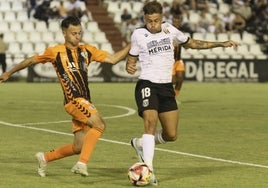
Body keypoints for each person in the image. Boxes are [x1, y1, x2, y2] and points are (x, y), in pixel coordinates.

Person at [0, 16, 130, 177]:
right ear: (64, 33)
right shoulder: (55, 52)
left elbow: (113, 59)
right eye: (74, 33)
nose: (77, 36)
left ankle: (45, 157)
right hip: (73, 100)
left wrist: (132, 44)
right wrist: (8, 73)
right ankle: (82, 164)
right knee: (100, 125)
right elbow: (30, 61)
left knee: (78, 147)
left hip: (85, 100)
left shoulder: (87, 50)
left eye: (80, 32)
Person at [125, 1, 239, 185]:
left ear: (162, 18)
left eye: (155, 20)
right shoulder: (138, 34)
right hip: (147, 83)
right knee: (151, 122)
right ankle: (149, 169)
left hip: (166, 87)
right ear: (144, 19)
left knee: (171, 135)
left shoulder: (170, 30)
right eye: (149, 21)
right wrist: (129, 64)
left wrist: (220, 43)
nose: (152, 24)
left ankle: (139, 144)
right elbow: (132, 55)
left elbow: (193, 43)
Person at [171, 14, 186, 97]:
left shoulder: (181, 33)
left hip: (178, 59)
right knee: (173, 81)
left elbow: (185, 44)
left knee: (180, 78)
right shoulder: (168, 32)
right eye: (175, 21)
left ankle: (174, 96)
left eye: (178, 22)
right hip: (170, 61)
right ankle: (168, 93)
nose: (177, 23)